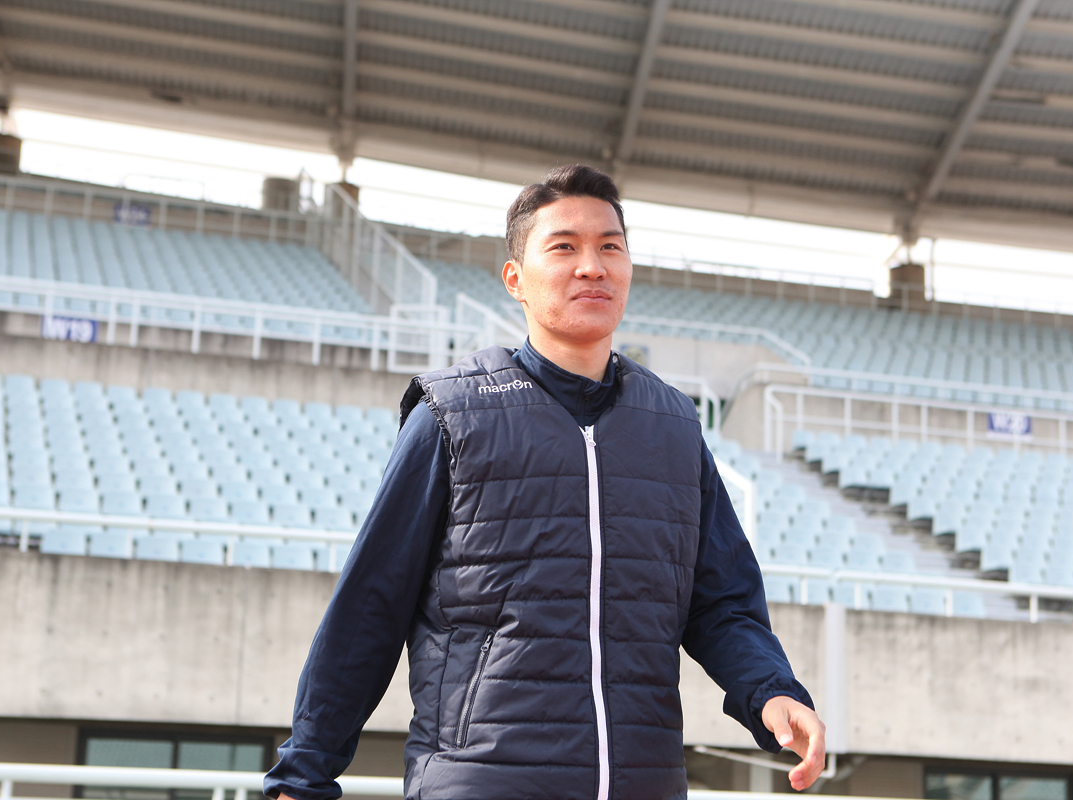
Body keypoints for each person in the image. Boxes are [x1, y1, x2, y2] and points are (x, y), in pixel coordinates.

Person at [263, 165, 825, 800]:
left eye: (610, 247)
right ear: (515, 279)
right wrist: (303, 774)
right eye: (564, 247)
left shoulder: (672, 425)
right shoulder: (451, 414)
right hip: (482, 783)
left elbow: (721, 601)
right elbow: (370, 604)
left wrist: (770, 690)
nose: (592, 267)